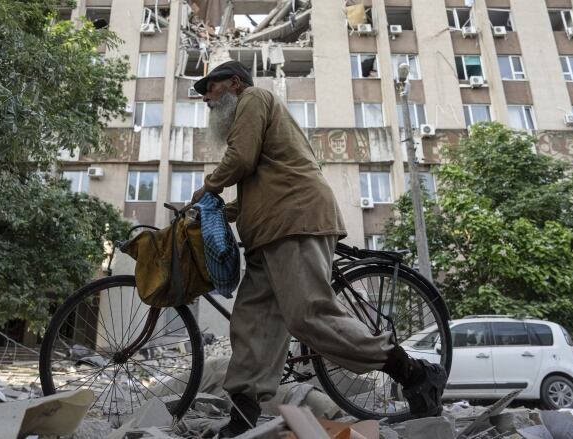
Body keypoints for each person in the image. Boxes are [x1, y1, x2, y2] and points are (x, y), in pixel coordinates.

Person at [190, 61, 447, 437]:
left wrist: (208, 188)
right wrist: (221, 212)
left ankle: (414, 372)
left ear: (233, 83)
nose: (207, 98)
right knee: (252, 323)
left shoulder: (254, 98)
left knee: (307, 315)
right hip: (268, 232)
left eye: (210, 89)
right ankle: (243, 415)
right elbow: (259, 182)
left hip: (296, 220)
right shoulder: (255, 116)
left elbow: (242, 158)